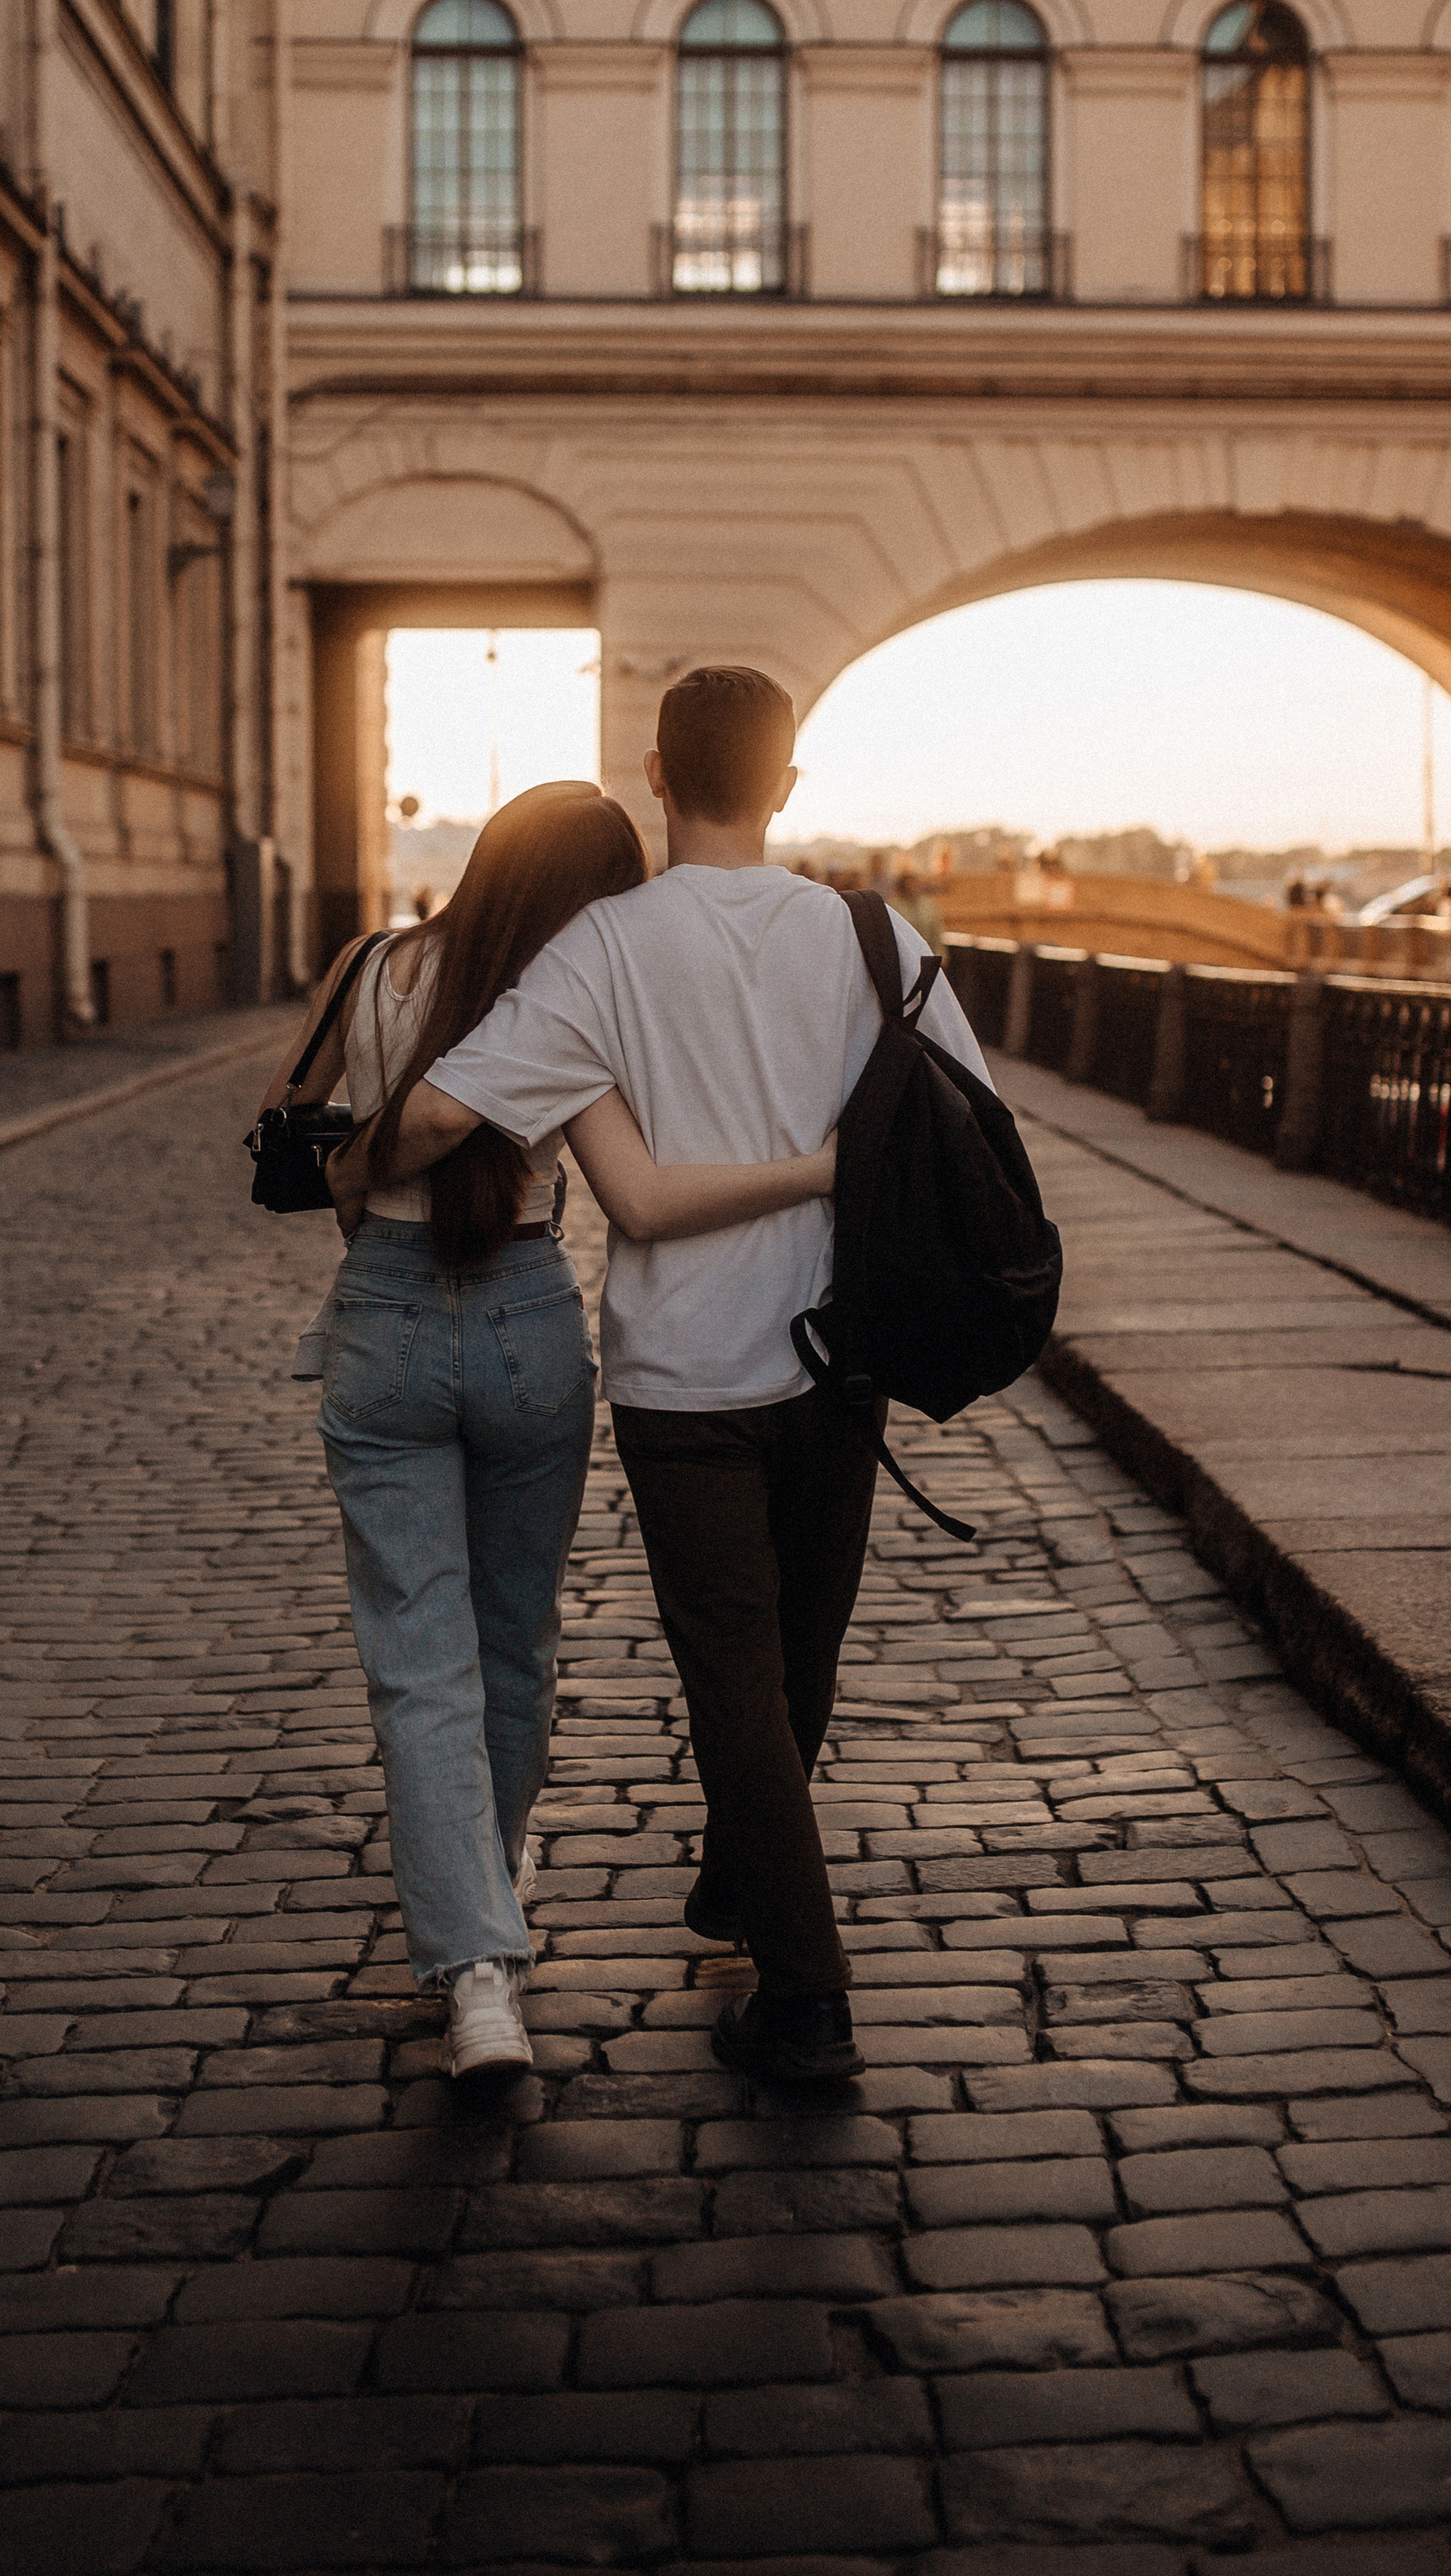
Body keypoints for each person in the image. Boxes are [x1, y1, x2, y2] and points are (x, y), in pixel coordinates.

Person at [342, 668, 995, 2086]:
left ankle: (793, 1969)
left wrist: (347, 1156)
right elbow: (976, 1120)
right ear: (789, 783)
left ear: (657, 769)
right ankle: (782, 1936)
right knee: (799, 1657)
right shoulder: (875, 937)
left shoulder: (599, 950)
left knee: (738, 1674)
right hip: (842, 1355)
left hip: (686, 1375)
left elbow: (452, 1107)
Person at [267, 781, 836, 2084]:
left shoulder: (369, 964)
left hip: (384, 1316)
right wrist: (821, 1167)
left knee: (420, 1664)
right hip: (528, 1318)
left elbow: (297, 1138)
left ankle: (478, 1978)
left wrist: (365, 1163)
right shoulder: (575, 999)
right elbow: (636, 1190)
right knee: (514, 1640)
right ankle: (492, 1900)